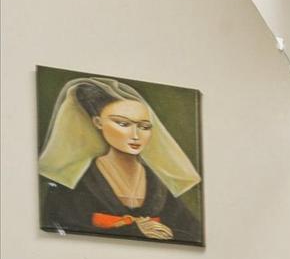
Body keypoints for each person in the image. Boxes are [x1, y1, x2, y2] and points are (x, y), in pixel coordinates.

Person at [38, 76, 202, 244]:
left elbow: (192, 233)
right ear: (98, 122)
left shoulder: (158, 183)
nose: (136, 135)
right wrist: (133, 229)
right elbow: (59, 227)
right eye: (123, 124)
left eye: (144, 127)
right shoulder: (78, 180)